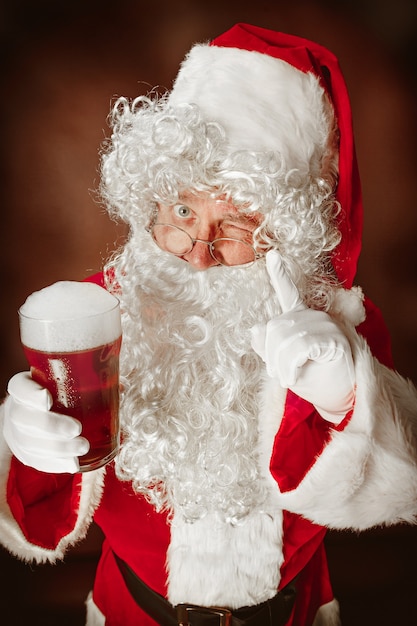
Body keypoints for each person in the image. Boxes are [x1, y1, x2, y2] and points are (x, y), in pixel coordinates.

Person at [1, 22, 417, 626]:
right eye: (184, 209)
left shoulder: (338, 323)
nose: (197, 250)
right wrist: (24, 448)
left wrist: (345, 399)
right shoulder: (89, 317)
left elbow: (400, 487)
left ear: (284, 228)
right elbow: (39, 514)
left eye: (237, 222)